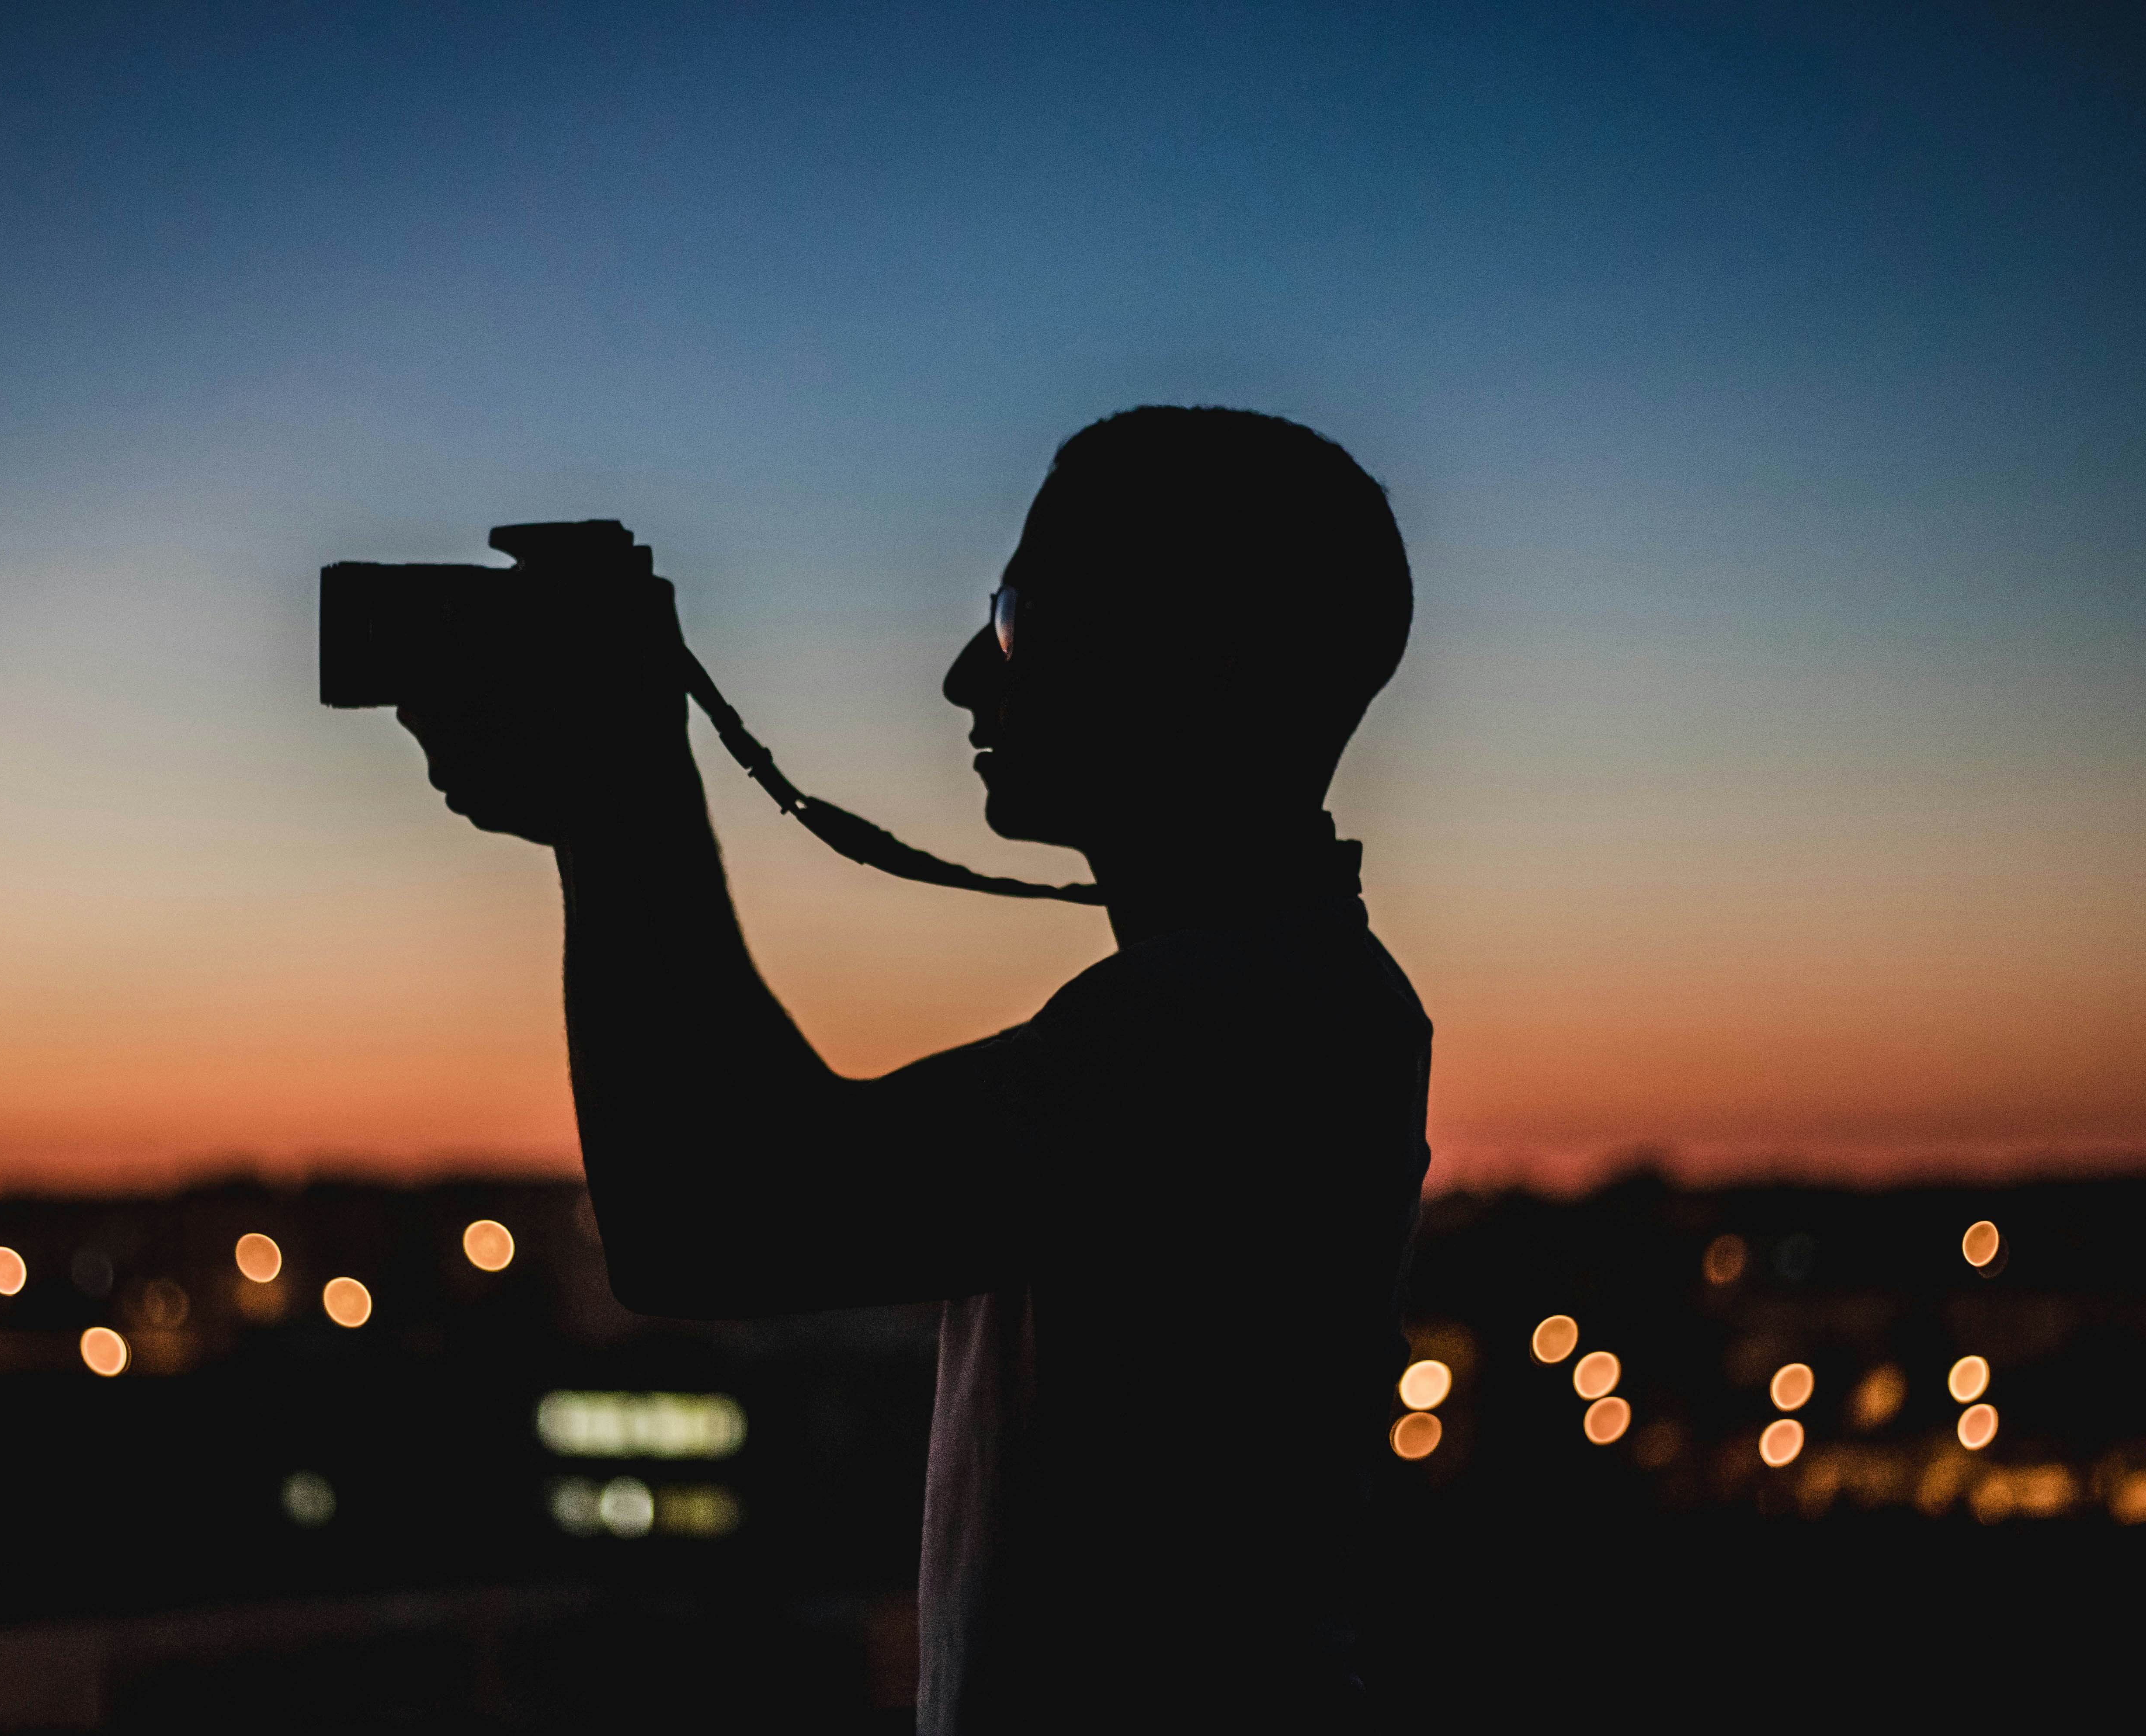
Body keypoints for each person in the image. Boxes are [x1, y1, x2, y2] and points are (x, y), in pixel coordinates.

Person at [401, 405, 1428, 1732]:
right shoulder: (1270, 1002)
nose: (964, 674)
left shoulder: (1245, 1028)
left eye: (1017, 615)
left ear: (1208, 659)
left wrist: (618, 798)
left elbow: (710, 1220)